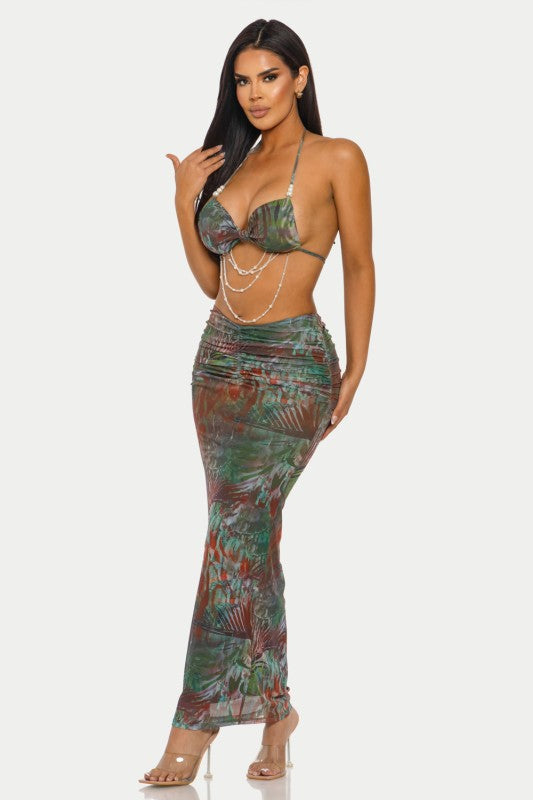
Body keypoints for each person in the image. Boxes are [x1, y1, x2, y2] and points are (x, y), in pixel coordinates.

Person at [139, 17, 375, 786]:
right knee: (246, 538)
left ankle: (194, 721)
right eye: (241, 81)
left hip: (291, 371)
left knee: (233, 532)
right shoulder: (234, 163)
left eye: (268, 76)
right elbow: (213, 281)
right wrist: (184, 204)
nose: (253, 93)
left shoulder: (337, 158)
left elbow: (360, 265)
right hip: (218, 366)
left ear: (300, 78)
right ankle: (275, 715)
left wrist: (356, 369)